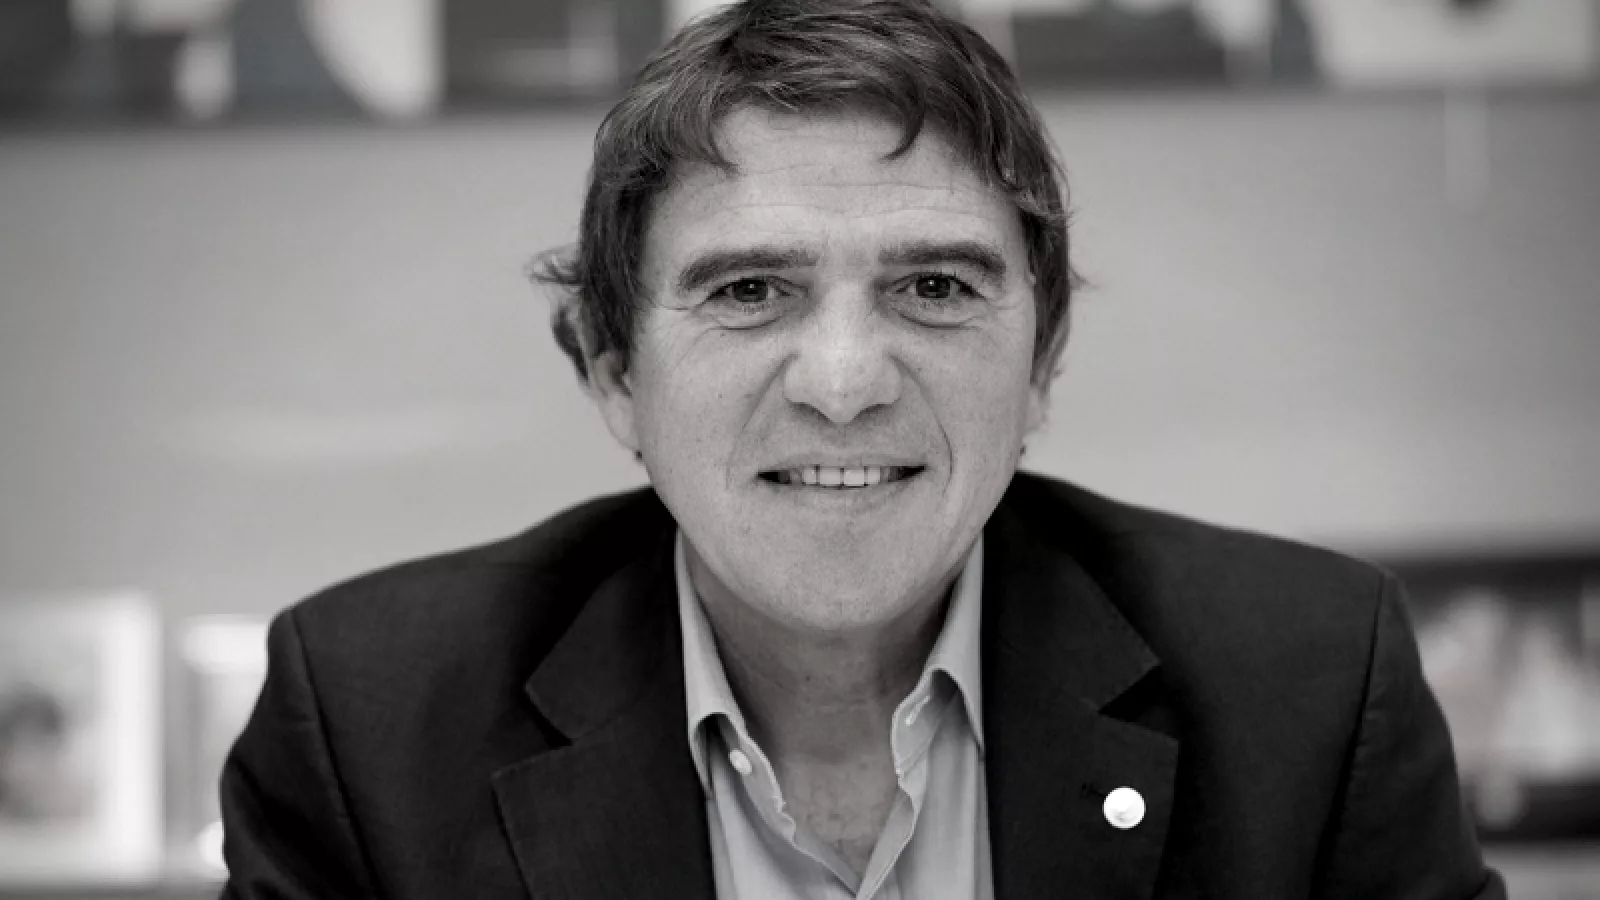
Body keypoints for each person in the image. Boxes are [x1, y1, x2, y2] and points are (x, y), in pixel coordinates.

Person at [219, 1, 1505, 897]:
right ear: (613, 373)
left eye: (934, 289)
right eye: (748, 291)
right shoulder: (372, 727)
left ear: (1042, 361)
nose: (843, 386)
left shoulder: (1308, 687)